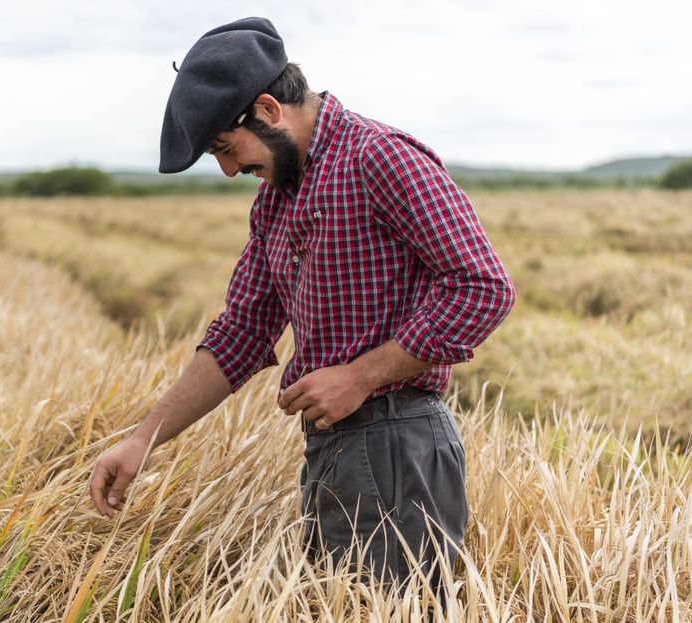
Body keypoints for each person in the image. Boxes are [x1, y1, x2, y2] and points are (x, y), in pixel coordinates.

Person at [89, 16, 516, 608]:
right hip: (335, 450)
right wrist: (142, 440)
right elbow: (240, 331)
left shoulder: (382, 160)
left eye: (224, 147)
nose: (229, 170)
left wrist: (360, 376)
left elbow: (483, 287)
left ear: (267, 110)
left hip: (398, 443)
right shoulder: (276, 201)